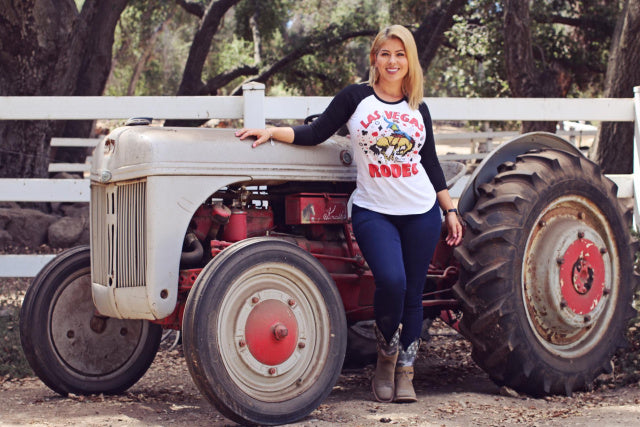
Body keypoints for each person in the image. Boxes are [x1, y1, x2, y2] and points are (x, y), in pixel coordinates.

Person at [236, 24, 462, 404]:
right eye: (385, 53)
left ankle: (405, 370)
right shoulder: (356, 99)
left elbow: (430, 163)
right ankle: (385, 358)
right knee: (391, 282)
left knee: (413, 291)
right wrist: (274, 132)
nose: (392, 61)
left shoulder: (418, 107)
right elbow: (316, 132)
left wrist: (449, 209)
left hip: (422, 211)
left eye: (400, 54)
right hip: (374, 210)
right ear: (374, 57)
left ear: (410, 61)